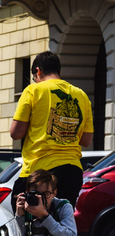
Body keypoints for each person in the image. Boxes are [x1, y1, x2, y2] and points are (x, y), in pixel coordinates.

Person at [10, 51, 94, 212]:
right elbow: (86, 140)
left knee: (22, 212)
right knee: (62, 219)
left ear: (38, 71)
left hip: (40, 170)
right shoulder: (81, 95)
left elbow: (16, 133)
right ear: (59, 72)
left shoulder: (33, 91)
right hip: (73, 171)